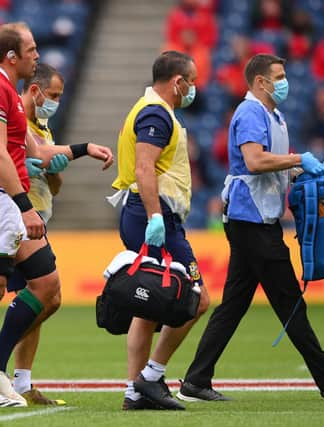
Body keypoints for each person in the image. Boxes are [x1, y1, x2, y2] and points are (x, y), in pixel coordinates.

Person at [178, 53, 324, 402]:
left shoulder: (273, 115)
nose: (285, 82)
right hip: (251, 219)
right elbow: (253, 160)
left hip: (255, 217)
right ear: (261, 82)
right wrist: (298, 159)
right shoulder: (251, 112)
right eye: (278, 76)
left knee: (235, 303)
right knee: (288, 299)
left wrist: (298, 171)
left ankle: (196, 380)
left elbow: (268, 162)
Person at [0, 22, 110, 409]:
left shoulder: (5, 91)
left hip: (5, 201)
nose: (37, 55)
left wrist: (84, 148)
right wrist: (25, 207)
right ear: (11, 56)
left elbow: (40, 151)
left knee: (46, 285)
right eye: (31, 50)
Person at [110, 51, 210, 411]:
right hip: (154, 215)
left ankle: (135, 392)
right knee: (195, 298)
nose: (194, 89)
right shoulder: (156, 113)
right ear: (177, 82)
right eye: (192, 81)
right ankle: (150, 378)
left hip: (147, 213)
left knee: (149, 305)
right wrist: (155, 217)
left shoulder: (148, 108)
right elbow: (144, 168)